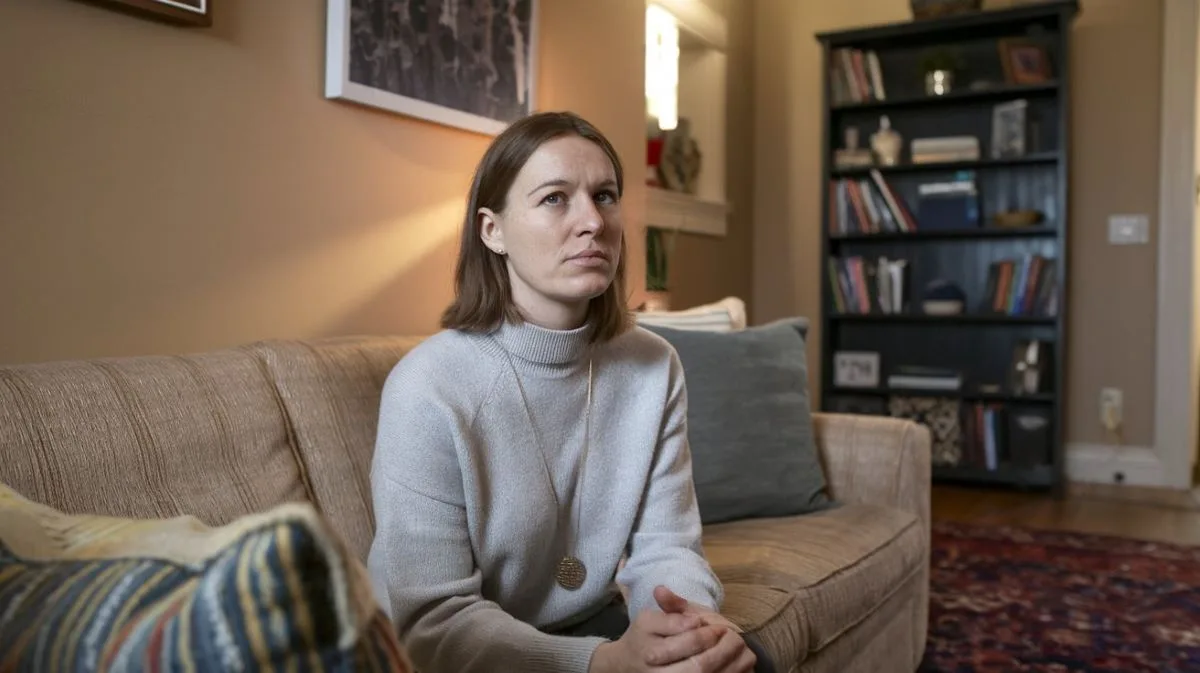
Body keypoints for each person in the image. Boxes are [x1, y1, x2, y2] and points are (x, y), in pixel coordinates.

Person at [366, 110, 776, 673]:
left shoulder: (654, 366)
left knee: (741, 661)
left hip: (591, 621)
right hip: (463, 651)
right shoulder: (427, 388)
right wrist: (601, 663)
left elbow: (668, 545)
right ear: (494, 231)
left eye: (604, 196)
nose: (593, 221)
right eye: (555, 198)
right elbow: (433, 624)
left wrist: (685, 625)